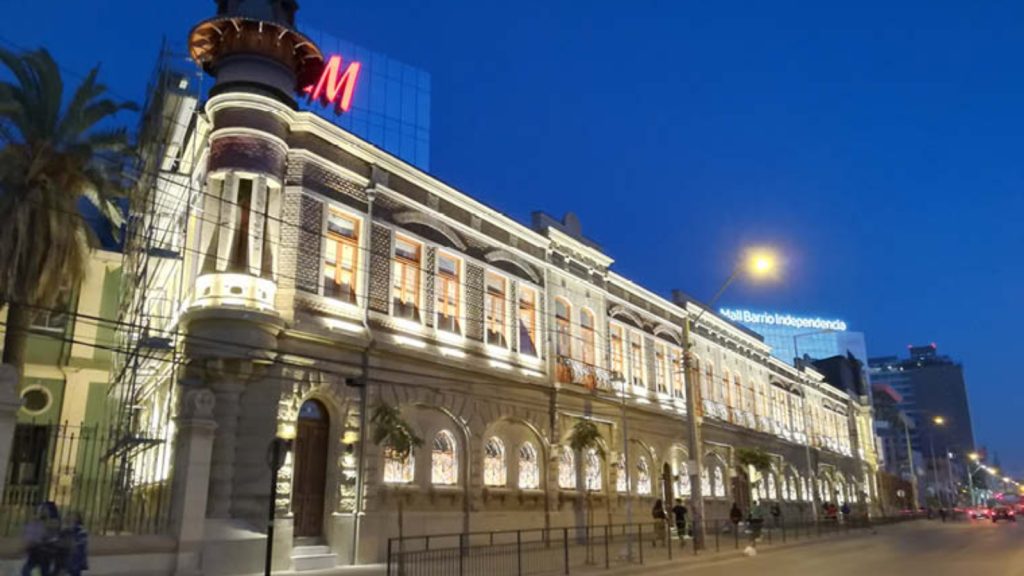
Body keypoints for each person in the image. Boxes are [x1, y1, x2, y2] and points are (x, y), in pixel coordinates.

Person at [22, 501, 60, 576]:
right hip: (35, 554)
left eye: (44, 508)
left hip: (46, 554)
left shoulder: (54, 522)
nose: (41, 510)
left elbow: (51, 531)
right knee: (29, 570)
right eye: (41, 508)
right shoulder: (37, 521)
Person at [60, 511, 88, 576]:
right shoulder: (64, 530)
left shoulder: (80, 530)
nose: (68, 518)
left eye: (72, 516)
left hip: (75, 559)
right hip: (66, 559)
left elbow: (80, 544)